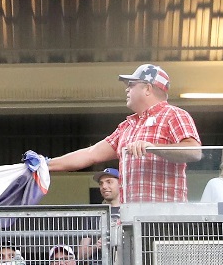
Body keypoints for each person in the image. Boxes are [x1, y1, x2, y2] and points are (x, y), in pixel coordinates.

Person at [47, 64, 202, 202]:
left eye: (131, 84)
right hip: (130, 218)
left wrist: (152, 147)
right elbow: (90, 153)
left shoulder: (174, 114)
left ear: (147, 88)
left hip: (163, 219)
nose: (126, 89)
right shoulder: (127, 126)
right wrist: (43, 166)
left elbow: (194, 151)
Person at [79, 168, 122, 265]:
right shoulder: (95, 214)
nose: (104, 186)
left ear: (121, 184)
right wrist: (97, 246)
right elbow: (81, 254)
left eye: (109, 182)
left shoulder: (131, 210)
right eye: (101, 183)